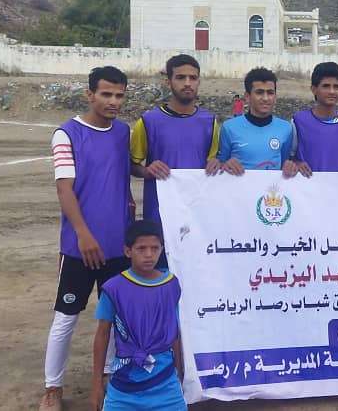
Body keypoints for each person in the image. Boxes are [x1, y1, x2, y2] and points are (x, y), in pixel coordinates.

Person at [40, 66, 133, 411]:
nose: (113, 101)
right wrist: (82, 234)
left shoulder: (123, 132)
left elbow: (124, 175)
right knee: (66, 317)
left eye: (119, 95)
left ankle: (108, 376)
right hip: (80, 247)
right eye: (106, 94)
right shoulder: (66, 134)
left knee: (113, 317)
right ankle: (53, 388)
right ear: (90, 94)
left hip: (117, 245)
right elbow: (64, 189)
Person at [130, 54, 222, 266]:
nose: (187, 83)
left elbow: (214, 161)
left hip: (198, 218)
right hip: (160, 217)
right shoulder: (148, 121)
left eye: (193, 78)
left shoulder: (210, 122)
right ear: (168, 81)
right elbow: (132, 165)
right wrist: (147, 170)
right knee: (161, 274)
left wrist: (216, 163)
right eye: (181, 77)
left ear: (199, 81)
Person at [90, 220, 185, 411]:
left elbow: (173, 330)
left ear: (162, 249)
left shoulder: (171, 284)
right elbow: (102, 334)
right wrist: (96, 384)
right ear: (128, 251)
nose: (149, 254)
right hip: (123, 386)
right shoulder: (114, 288)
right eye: (141, 248)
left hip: (166, 384)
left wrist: (180, 370)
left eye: (154, 248)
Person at [284, 62, 338, 177]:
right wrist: (296, 164)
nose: (332, 91)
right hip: (308, 186)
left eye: (336, 87)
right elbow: (289, 158)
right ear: (314, 89)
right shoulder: (299, 121)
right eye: (326, 86)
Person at [217, 68, 293, 175]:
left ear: (275, 97)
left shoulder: (286, 128)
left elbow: (284, 163)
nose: (265, 98)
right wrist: (224, 165)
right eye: (259, 92)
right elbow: (221, 163)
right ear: (247, 96)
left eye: (270, 93)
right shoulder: (229, 128)